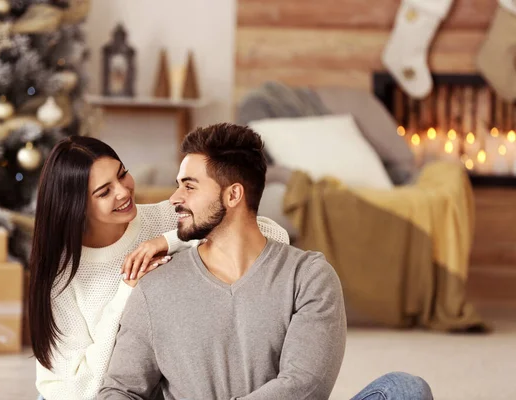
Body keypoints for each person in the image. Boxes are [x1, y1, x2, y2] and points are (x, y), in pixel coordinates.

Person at [98, 123, 433, 400]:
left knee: (405, 389)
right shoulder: (156, 286)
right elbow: (120, 389)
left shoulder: (308, 276)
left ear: (233, 195)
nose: (175, 198)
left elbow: (305, 384)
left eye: (189, 186)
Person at [29, 136, 289, 400]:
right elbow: (73, 392)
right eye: (104, 192)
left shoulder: (167, 218)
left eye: (122, 175)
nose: (123, 192)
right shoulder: (63, 275)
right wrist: (127, 291)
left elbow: (273, 236)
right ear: (76, 206)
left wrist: (169, 241)